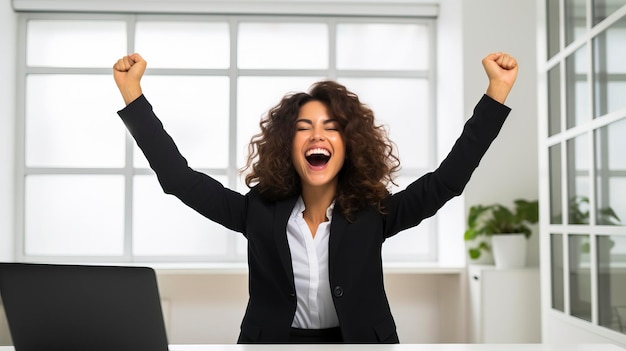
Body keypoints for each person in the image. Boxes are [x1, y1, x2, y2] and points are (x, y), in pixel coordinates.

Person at [113, 51, 518, 344]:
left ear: (350, 145)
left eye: (331, 127)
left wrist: (496, 93)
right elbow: (179, 179)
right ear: (287, 146)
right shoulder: (256, 211)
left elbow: (447, 181)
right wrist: (132, 94)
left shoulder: (375, 213)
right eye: (304, 127)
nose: (317, 135)